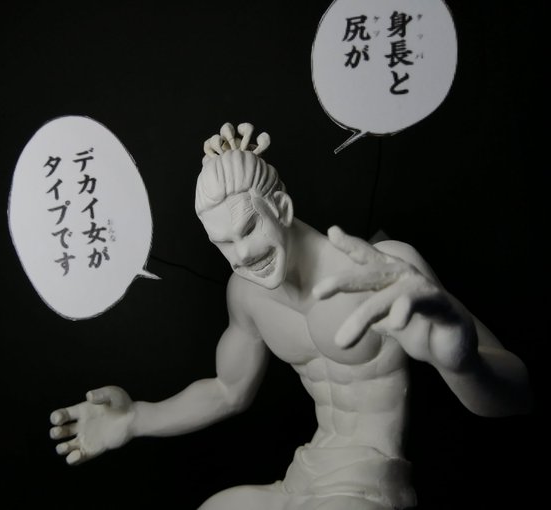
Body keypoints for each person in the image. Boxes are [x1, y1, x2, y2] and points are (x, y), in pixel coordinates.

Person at [49, 122, 531, 509]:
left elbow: (519, 393)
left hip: (369, 482)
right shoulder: (246, 294)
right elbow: (227, 391)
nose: (243, 254)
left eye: (249, 228)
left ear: (279, 206)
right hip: (305, 474)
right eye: (224, 243)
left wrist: (461, 360)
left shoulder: (383, 269)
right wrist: (136, 418)